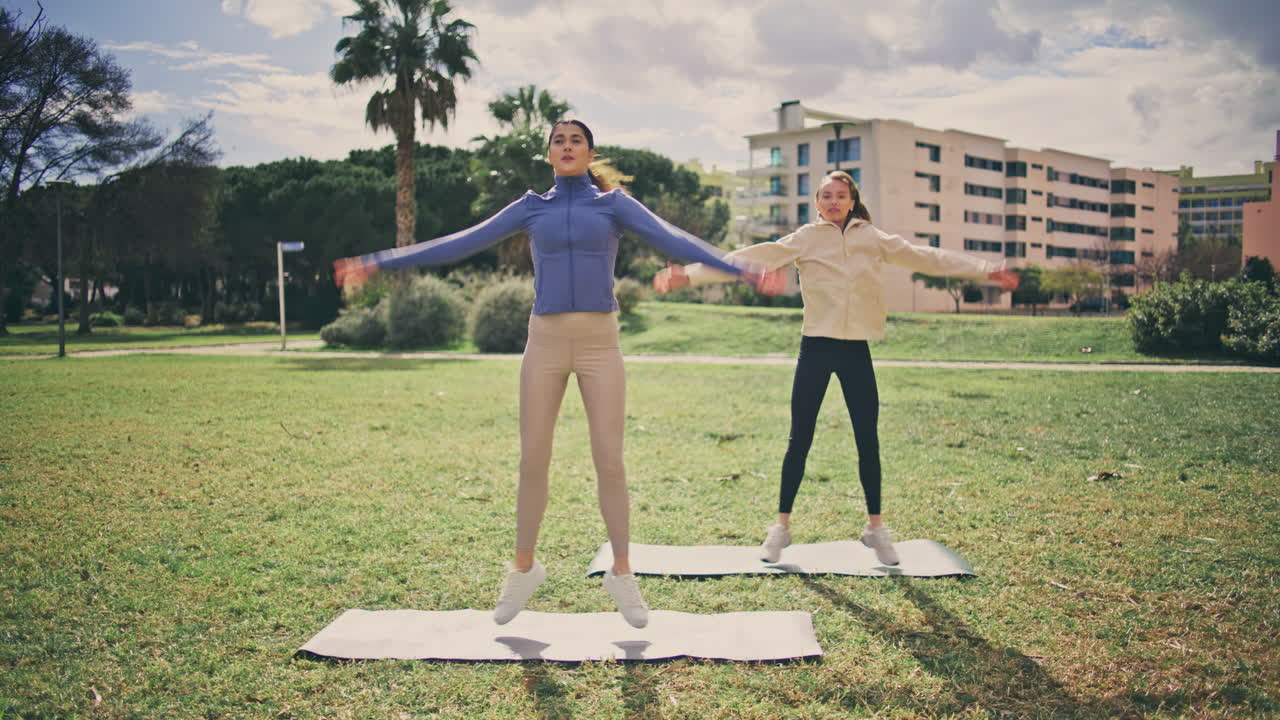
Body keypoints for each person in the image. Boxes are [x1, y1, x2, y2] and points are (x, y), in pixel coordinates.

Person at [333, 120, 771, 628]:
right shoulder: (530, 207)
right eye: (558, 140)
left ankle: (623, 573)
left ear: (590, 153)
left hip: (599, 343)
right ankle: (524, 567)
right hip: (543, 342)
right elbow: (458, 243)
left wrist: (744, 269)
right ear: (548, 154)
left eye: (576, 140)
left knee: (610, 459)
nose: (566, 146)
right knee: (532, 459)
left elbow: (675, 239)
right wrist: (378, 262)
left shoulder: (614, 205)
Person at [653, 170, 1018, 566]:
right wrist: (687, 275)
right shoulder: (806, 238)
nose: (832, 202)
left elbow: (925, 257)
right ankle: (780, 528)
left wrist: (985, 270)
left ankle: (875, 528)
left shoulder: (872, 238)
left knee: (868, 439)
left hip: (856, 349)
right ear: (817, 203)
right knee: (800, 438)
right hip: (816, 347)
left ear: (851, 200)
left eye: (839, 196)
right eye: (825, 196)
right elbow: (752, 256)